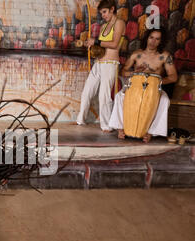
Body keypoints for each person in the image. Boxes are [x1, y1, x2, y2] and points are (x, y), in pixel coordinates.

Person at [109, 28, 178, 143]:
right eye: (151, 38)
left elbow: (173, 76)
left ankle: (150, 132)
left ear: (161, 41)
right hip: (134, 87)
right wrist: (134, 73)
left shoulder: (165, 56)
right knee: (119, 97)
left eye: (157, 39)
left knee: (165, 100)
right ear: (147, 38)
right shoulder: (137, 54)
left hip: (155, 88)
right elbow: (123, 71)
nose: (153, 41)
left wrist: (157, 81)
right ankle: (121, 128)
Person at [76, 0, 126, 132]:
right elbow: (102, 45)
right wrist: (91, 45)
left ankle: (107, 125)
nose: (103, 15)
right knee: (87, 92)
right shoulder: (104, 26)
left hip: (110, 64)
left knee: (103, 96)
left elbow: (114, 44)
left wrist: (96, 41)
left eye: (104, 12)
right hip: (99, 63)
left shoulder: (119, 23)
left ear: (112, 9)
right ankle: (80, 120)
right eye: (101, 13)